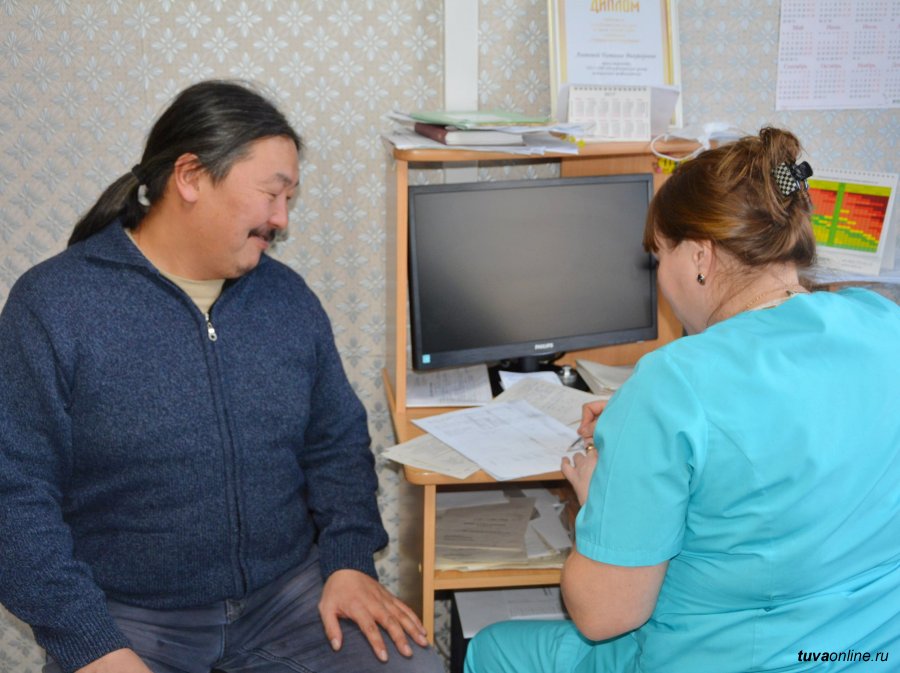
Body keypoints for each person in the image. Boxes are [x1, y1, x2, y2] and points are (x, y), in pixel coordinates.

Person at [0, 80, 443, 673]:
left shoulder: (286, 299)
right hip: (125, 618)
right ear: (190, 176)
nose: (282, 218)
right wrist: (90, 644)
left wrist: (348, 561)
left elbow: (335, 444)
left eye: (290, 198)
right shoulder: (55, 305)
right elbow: (15, 495)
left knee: (416, 666)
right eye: (272, 194)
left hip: (288, 600)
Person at [464, 127, 900, 672]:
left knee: (493, 648)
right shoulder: (884, 322)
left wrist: (597, 501)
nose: (660, 277)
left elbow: (602, 616)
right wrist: (640, 427)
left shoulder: (671, 385)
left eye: (658, 255)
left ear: (700, 256)